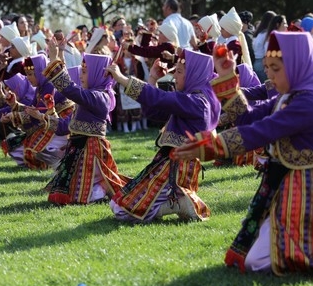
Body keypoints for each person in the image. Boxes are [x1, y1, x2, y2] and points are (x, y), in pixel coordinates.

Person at [173, 31, 313, 275]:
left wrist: (213, 146)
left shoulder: (311, 102)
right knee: (254, 259)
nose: (269, 74)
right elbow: (248, 116)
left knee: (258, 262)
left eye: (276, 68)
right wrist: (226, 76)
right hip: (285, 184)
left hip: (309, 191)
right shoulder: (289, 96)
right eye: (267, 67)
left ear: (298, 64)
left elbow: (262, 130)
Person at [106, 49, 220, 222]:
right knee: (118, 204)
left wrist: (121, 79)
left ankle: (178, 200)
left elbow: (160, 99)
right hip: (168, 161)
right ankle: (176, 200)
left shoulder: (198, 102)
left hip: (178, 168)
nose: (174, 78)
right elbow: (155, 112)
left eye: (179, 72)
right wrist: (152, 79)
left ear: (194, 74)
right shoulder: (192, 98)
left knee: (123, 211)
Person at [42, 44, 128, 205]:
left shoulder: (100, 97)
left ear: (97, 73)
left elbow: (71, 90)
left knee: (83, 193)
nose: (81, 75)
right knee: (62, 194)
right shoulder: (90, 96)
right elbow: (62, 127)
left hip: (91, 150)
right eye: (81, 70)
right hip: (77, 148)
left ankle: (101, 191)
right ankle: (101, 190)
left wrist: (54, 60)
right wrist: (42, 116)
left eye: (85, 71)